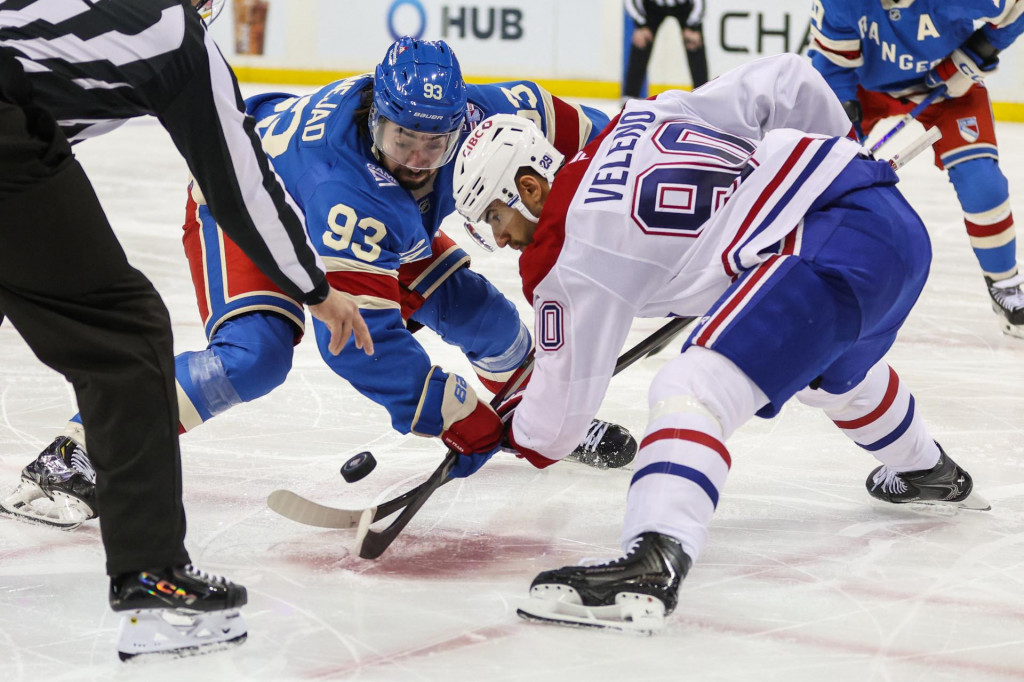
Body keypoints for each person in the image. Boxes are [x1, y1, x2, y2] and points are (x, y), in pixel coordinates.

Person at [2, 37, 634, 530]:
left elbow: (613, 142)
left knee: (483, 316)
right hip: (251, 205)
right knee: (253, 357)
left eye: (433, 144)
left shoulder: (493, 113)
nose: (417, 159)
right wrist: (449, 411)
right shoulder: (345, 187)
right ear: (375, 117)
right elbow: (360, 340)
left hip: (372, 221)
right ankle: (81, 446)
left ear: (462, 121)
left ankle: (539, 408)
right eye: (401, 139)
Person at [451, 53, 989, 633]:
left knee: (692, 385)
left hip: (821, 252)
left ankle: (651, 564)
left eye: (495, 218)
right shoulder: (635, 119)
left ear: (529, 186)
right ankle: (926, 470)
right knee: (827, 370)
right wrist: (844, 153)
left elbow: (555, 426)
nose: (500, 239)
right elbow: (787, 80)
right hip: (887, 220)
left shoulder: (566, 257)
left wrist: (508, 429)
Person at [0, 0, 372, 661]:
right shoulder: (171, 32)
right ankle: (154, 583)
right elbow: (241, 185)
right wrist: (313, 288)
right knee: (125, 338)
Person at [809, 0, 1024, 338]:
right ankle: (795, 276)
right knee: (815, 178)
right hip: (862, 87)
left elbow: (1016, 10)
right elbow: (834, 66)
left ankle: (1006, 284)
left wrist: (972, 55)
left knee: (984, 185)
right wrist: (845, 126)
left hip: (947, 87)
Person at [622, 0, 709, 103]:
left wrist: (693, 26)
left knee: (694, 44)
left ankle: (703, 96)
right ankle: (630, 96)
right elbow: (630, 2)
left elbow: (700, 3)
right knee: (641, 41)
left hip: (685, 7)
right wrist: (641, 25)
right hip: (652, 7)